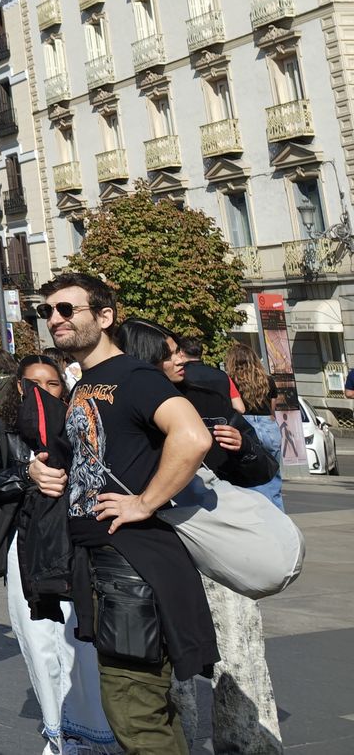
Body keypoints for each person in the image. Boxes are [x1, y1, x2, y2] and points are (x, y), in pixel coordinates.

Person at [28, 277, 216, 755]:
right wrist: (45, 471)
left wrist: (145, 502)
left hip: (132, 565)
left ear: (105, 317)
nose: (55, 319)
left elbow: (192, 437)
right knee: (148, 712)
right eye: (47, 311)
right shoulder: (84, 384)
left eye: (68, 309)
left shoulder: (135, 376)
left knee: (133, 711)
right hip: (103, 564)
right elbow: (80, 459)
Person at [118, 321, 282, 755]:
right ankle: (182, 745)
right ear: (143, 359)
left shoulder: (205, 395)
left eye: (178, 351)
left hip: (215, 546)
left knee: (241, 658)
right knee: (173, 670)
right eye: (169, 354)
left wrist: (241, 447)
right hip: (158, 550)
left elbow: (260, 469)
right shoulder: (121, 404)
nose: (180, 360)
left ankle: (249, 746)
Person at [0, 357, 119, 755]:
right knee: (37, 640)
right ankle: (58, 733)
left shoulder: (80, 426)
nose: (42, 389)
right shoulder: (4, 428)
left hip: (74, 544)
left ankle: (93, 734)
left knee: (80, 641)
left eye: (51, 383)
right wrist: (25, 474)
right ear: (19, 387)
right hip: (26, 545)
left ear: (63, 386)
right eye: (33, 382)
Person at [225, 343, 283, 509]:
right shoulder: (267, 380)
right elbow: (272, 409)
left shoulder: (230, 381)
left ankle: (259, 514)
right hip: (268, 424)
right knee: (273, 475)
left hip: (246, 424)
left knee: (249, 475)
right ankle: (278, 516)